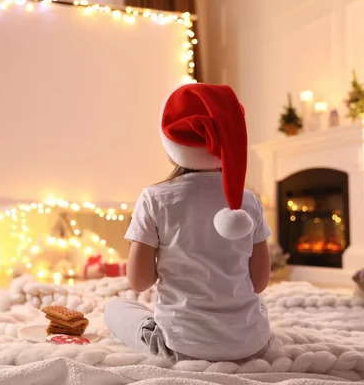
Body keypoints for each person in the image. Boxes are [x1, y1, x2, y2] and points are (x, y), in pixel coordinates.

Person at [105, 83, 271, 363]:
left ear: (172, 144)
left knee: (116, 307)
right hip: (252, 344)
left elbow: (139, 280)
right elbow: (259, 282)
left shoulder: (155, 198)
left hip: (182, 345)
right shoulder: (248, 201)